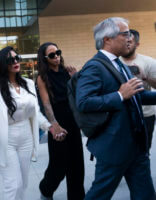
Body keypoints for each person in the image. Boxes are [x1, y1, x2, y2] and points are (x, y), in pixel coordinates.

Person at [76, 17, 156, 200]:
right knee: (99, 195)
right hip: (114, 147)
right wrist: (120, 95)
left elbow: (136, 96)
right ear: (107, 39)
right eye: (126, 34)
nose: (130, 39)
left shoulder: (120, 64)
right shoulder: (94, 66)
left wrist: (126, 94)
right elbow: (84, 102)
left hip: (136, 145)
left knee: (146, 195)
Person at [0, 46, 63, 200]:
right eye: (10, 60)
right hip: (5, 139)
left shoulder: (27, 83)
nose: (15, 61)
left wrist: (50, 127)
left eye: (17, 58)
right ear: (2, 64)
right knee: (13, 184)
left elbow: (35, 113)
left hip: (26, 138)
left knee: (23, 183)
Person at [36, 42, 85, 200]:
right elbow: (46, 104)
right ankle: (46, 189)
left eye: (58, 52)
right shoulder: (42, 78)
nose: (56, 56)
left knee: (77, 165)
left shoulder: (67, 72)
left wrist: (75, 79)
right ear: (45, 58)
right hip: (57, 123)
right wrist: (54, 125)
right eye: (52, 55)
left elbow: (79, 97)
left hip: (73, 122)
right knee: (59, 165)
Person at [120, 29, 156, 150]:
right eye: (124, 40)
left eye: (130, 41)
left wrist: (145, 78)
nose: (127, 44)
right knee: (125, 151)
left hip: (146, 114)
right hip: (123, 114)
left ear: (137, 44)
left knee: (144, 149)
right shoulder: (114, 62)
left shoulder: (149, 62)